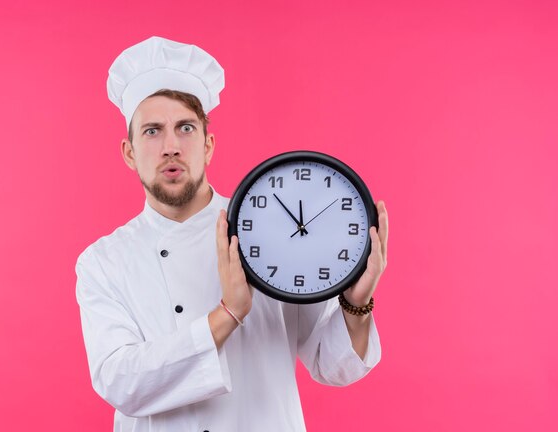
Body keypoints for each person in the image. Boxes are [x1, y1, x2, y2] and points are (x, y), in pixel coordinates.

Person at [76, 36, 389, 432]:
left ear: (207, 145)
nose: (171, 146)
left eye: (185, 128)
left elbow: (333, 366)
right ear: (129, 151)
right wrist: (229, 314)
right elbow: (122, 383)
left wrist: (355, 304)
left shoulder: (270, 229)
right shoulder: (103, 262)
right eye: (152, 131)